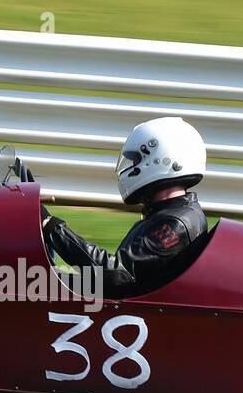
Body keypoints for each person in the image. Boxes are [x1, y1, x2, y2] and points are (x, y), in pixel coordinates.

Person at [42, 117, 208, 297]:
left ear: (162, 160)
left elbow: (117, 275)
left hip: (134, 314)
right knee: (38, 283)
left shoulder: (175, 224)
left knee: (31, 286)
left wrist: (51, 228)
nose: (133, 166)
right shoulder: (174, 213)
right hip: (127, 307)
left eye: (136, 160)